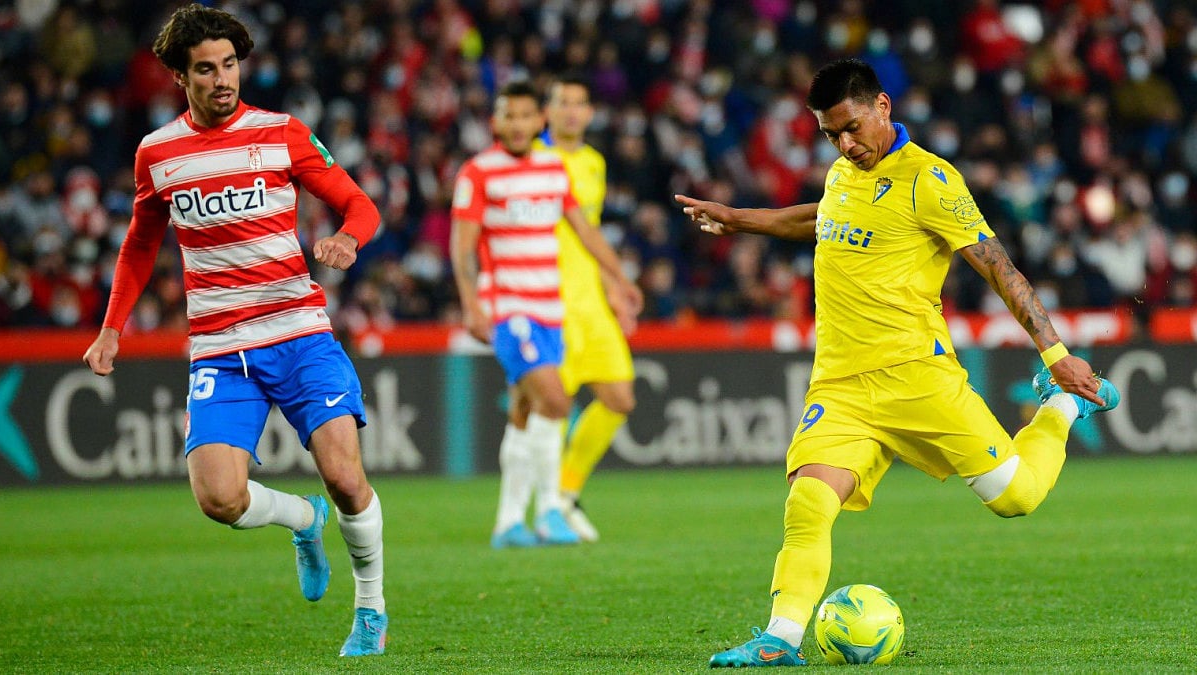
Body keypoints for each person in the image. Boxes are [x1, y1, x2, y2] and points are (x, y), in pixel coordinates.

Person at [675, 59, 1121, 668]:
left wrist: (1058, 356)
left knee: (1015, 498)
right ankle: (780, 639)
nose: (845, 144)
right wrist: (737, 218)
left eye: (853, 127)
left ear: (883, 105)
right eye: (832, 134)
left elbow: (996, 265)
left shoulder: (930, 181)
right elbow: (819, 217)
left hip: (918, 376)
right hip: (841, 384)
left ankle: (1061, 406)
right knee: (808, 500)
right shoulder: (842, 173)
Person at [82, 4, 387, 657]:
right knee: (218, 497)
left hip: (299, 331)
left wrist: (347, 239)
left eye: (229, 64)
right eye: (205, 69)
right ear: (178, 77)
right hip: (222, 349)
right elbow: (140, 245)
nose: (222, 78)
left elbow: (361, 204)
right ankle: (303, 520)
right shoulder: (157, 154)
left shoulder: (282, 132)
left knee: (346, 474)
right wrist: (112, 327)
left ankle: (369, 609)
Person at [449, 81, 641, 549]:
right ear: (495, 123)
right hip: (509, 307)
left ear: (538, 123)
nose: (516, 125)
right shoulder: (479, 173)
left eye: (524, 116)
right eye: (507, 116)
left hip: (549, 306)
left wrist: (619, 277)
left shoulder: (553, 170)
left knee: (526, 409)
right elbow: (463, 247)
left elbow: (587, 232)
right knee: (556, 402)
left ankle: (509, 522)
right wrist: (472, 303)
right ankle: (554, 507)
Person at [523, 75, 637, 542]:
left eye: (580, 103)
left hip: (590, 299)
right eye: (563, 102)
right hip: (547, 295)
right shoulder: (530, 158)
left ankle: (564, 494)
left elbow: (588, 231)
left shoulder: (593, 162)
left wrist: (613, 285)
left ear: (590, 113)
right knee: (551, 405)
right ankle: (538, 507)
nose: (572, 111)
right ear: (547, 111)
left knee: (619, 398)